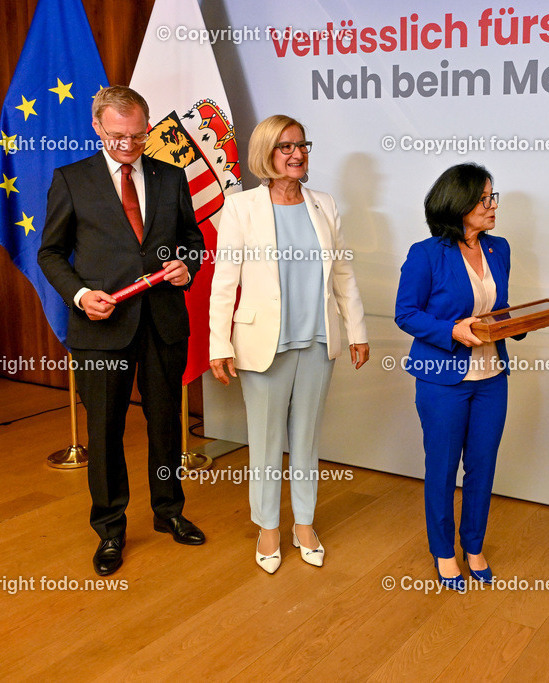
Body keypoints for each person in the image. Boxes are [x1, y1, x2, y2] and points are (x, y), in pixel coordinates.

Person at [38, 85, 207, 577]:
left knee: (165, 424)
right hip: (101, 327)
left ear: (148, 125)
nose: (129, 145)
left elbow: (191, 240)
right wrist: (79, 295)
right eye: (118, 137)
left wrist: (186, 266)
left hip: (162, 322)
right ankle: (110, 528)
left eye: (138, 135)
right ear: (97, 127)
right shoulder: (72, 180)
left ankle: (168, 511)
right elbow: (50, 252)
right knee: (106, 430)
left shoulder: (172, 176)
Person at [208, 115, 369, 574]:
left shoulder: (324, 204)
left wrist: (357, 330)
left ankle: (303, 524)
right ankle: (267, 527)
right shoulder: (240, 208)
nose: (297, 154)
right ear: (265, 154)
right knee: (264, 440)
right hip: (262, 343)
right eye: (285, 147)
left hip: (318, 340)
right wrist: (219, 343)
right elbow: (225, 282)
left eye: (301, 145)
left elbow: (342, 273)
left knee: (306, 438)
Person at [395, 163, 520, 592]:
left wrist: (517, 323)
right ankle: (444, 552)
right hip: (442, 380)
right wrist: (451, 331)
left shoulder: (499, 248)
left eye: (492, 197)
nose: (492, 206)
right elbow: (406, 313)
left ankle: (474, 546)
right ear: (460, 203)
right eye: (485, 199)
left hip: (492, 377)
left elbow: (498, 307)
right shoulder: (425, 253)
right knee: (443, 468)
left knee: (483, 467)